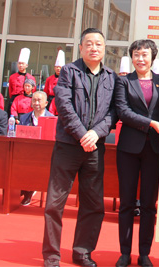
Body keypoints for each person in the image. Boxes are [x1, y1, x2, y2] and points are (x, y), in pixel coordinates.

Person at [43, 28, 117, 267]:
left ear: (104, 49)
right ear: (81, 48)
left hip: (95, 147)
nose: (94, 48)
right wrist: (82, 134)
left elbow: (113, 112)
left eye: (99, 44)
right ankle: (51, 255)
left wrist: (96, 133)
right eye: (89, 43)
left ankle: (82, 252)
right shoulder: (69, 71)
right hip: (68, 145)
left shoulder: (111, 77)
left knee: (93, 204)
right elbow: (64, 105)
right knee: (55, 203)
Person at [113, 39, 159, 267]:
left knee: (148, 205)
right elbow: (123, 112)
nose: (140, 59)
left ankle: (144, 253)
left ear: (152, 57)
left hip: (154, 149)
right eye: (136, 54)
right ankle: (124, 253)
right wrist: (150, 123)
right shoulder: (124, 81)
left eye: (145, 54)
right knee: (126, 203)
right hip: (128, 149)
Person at [18, 91, 55, 206]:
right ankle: (22, 188)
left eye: (39, 100)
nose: (36, 103)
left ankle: (29, 190)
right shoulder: (24, 118)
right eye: (34, 100)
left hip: (44, 154)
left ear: (46, 103)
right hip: (27, 152)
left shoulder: (52, 119)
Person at [7, 48, 34, 114]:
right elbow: (10, 90)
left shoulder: (31, 77)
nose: (20, 65)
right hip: (14, 99)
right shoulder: (12, 77)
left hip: (26, 100)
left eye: (22, 64)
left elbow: (33, 91)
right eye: (19, 63)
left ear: (26, 65)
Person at [45, 50, 66, 115]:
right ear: (54, 68)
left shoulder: (66, 79)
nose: (58, 69)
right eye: (57, 67)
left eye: (60, 67)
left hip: (60, 99)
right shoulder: (49, 79)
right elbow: (46, 91)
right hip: (50, 100)